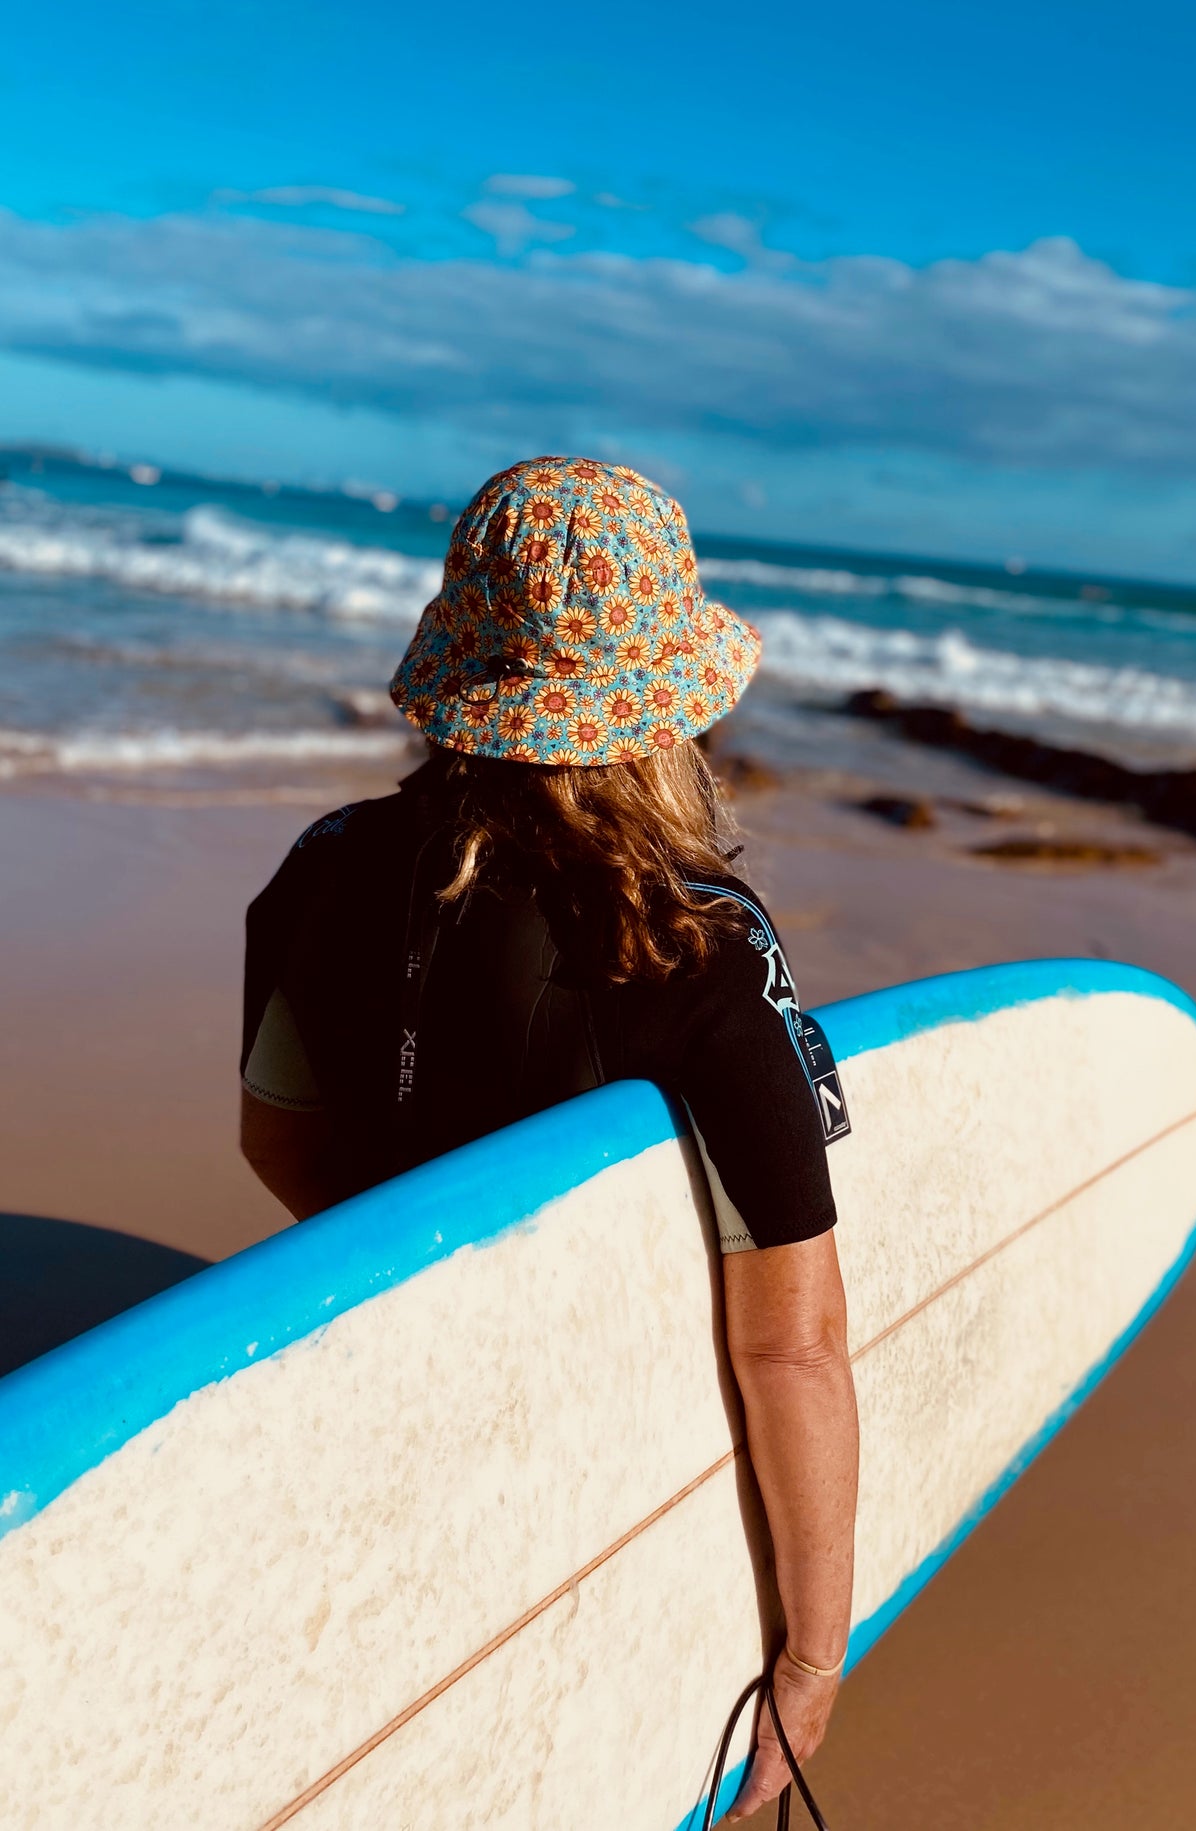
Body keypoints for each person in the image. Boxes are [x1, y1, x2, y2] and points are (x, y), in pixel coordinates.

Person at [238, 457, 858, 1819]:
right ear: (667, 700)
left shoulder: (323, 864)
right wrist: (811, 1660)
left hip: (388, 1395)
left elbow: (278, 1140)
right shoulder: (695, 943)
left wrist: (431, 1278)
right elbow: (791, 1343)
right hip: (591, 1441)